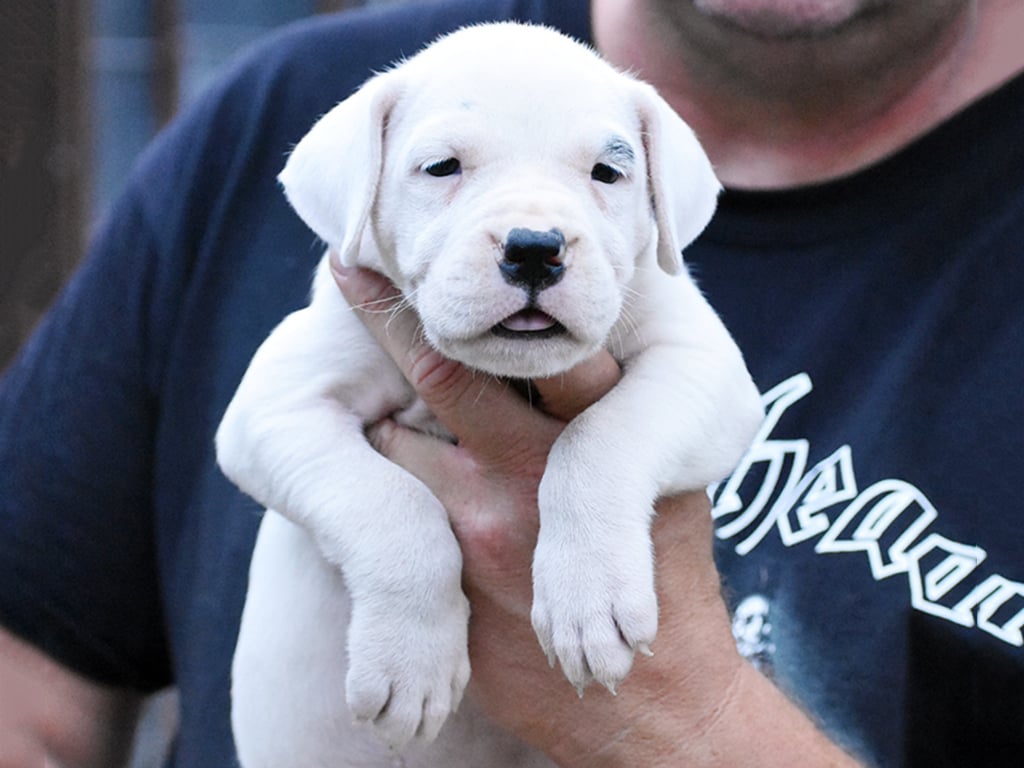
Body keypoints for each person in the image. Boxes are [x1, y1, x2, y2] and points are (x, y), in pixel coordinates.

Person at [1, 0, 1022, 765]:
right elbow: (254, 434)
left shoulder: (651, 283)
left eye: (603, 176)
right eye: (447, 170)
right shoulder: (305, 129)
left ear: (663, 192)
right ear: (363, 191)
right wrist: (397, 554)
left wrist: (680, 683)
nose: (535, 230)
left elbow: (718, 398)